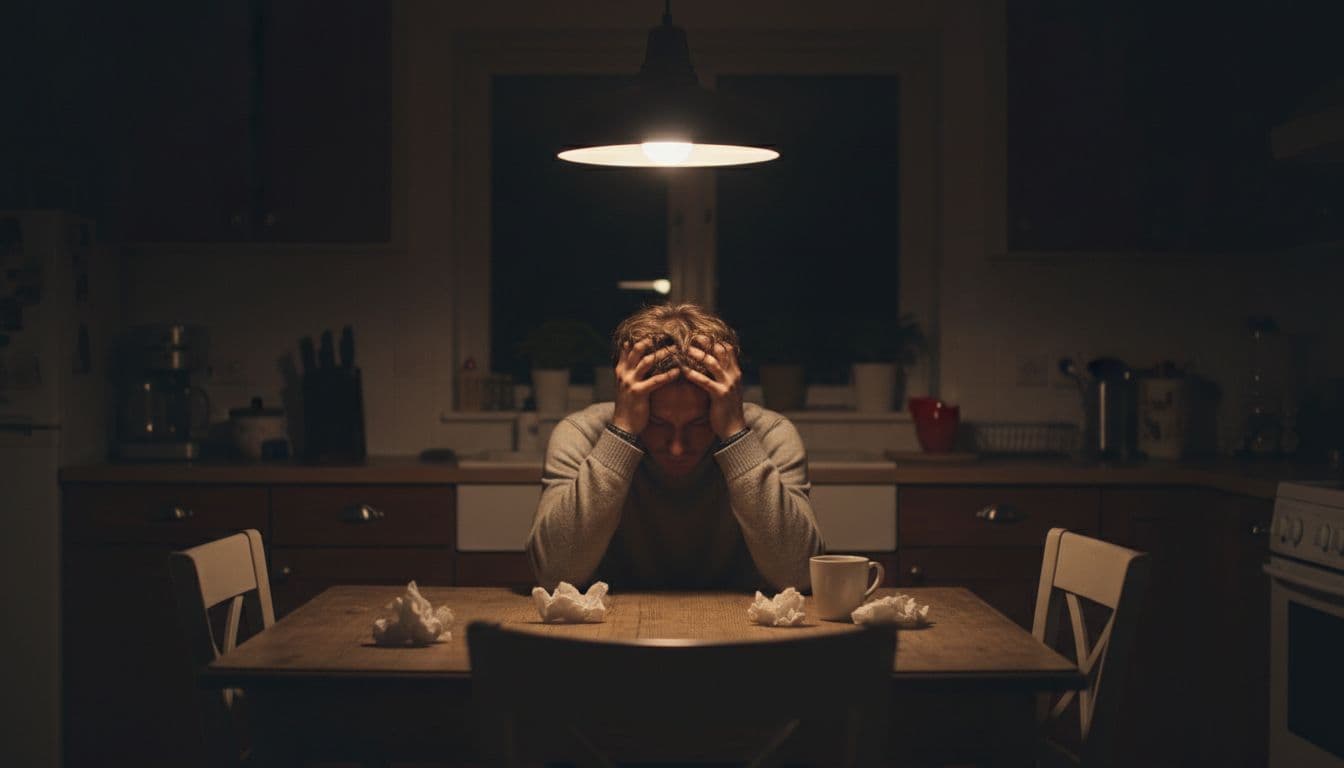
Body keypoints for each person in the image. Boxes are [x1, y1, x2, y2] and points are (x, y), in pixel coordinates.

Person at [527, 303, 824, 591]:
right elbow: (555, 574)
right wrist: (621, 433)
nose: (678, 448)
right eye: (657, 423)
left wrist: (735, 434)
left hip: (747, 629)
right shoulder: (580, 435)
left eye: (698, 424)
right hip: (608, 628)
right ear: (629, 400)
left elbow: (798, 575)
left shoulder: (772, 435)